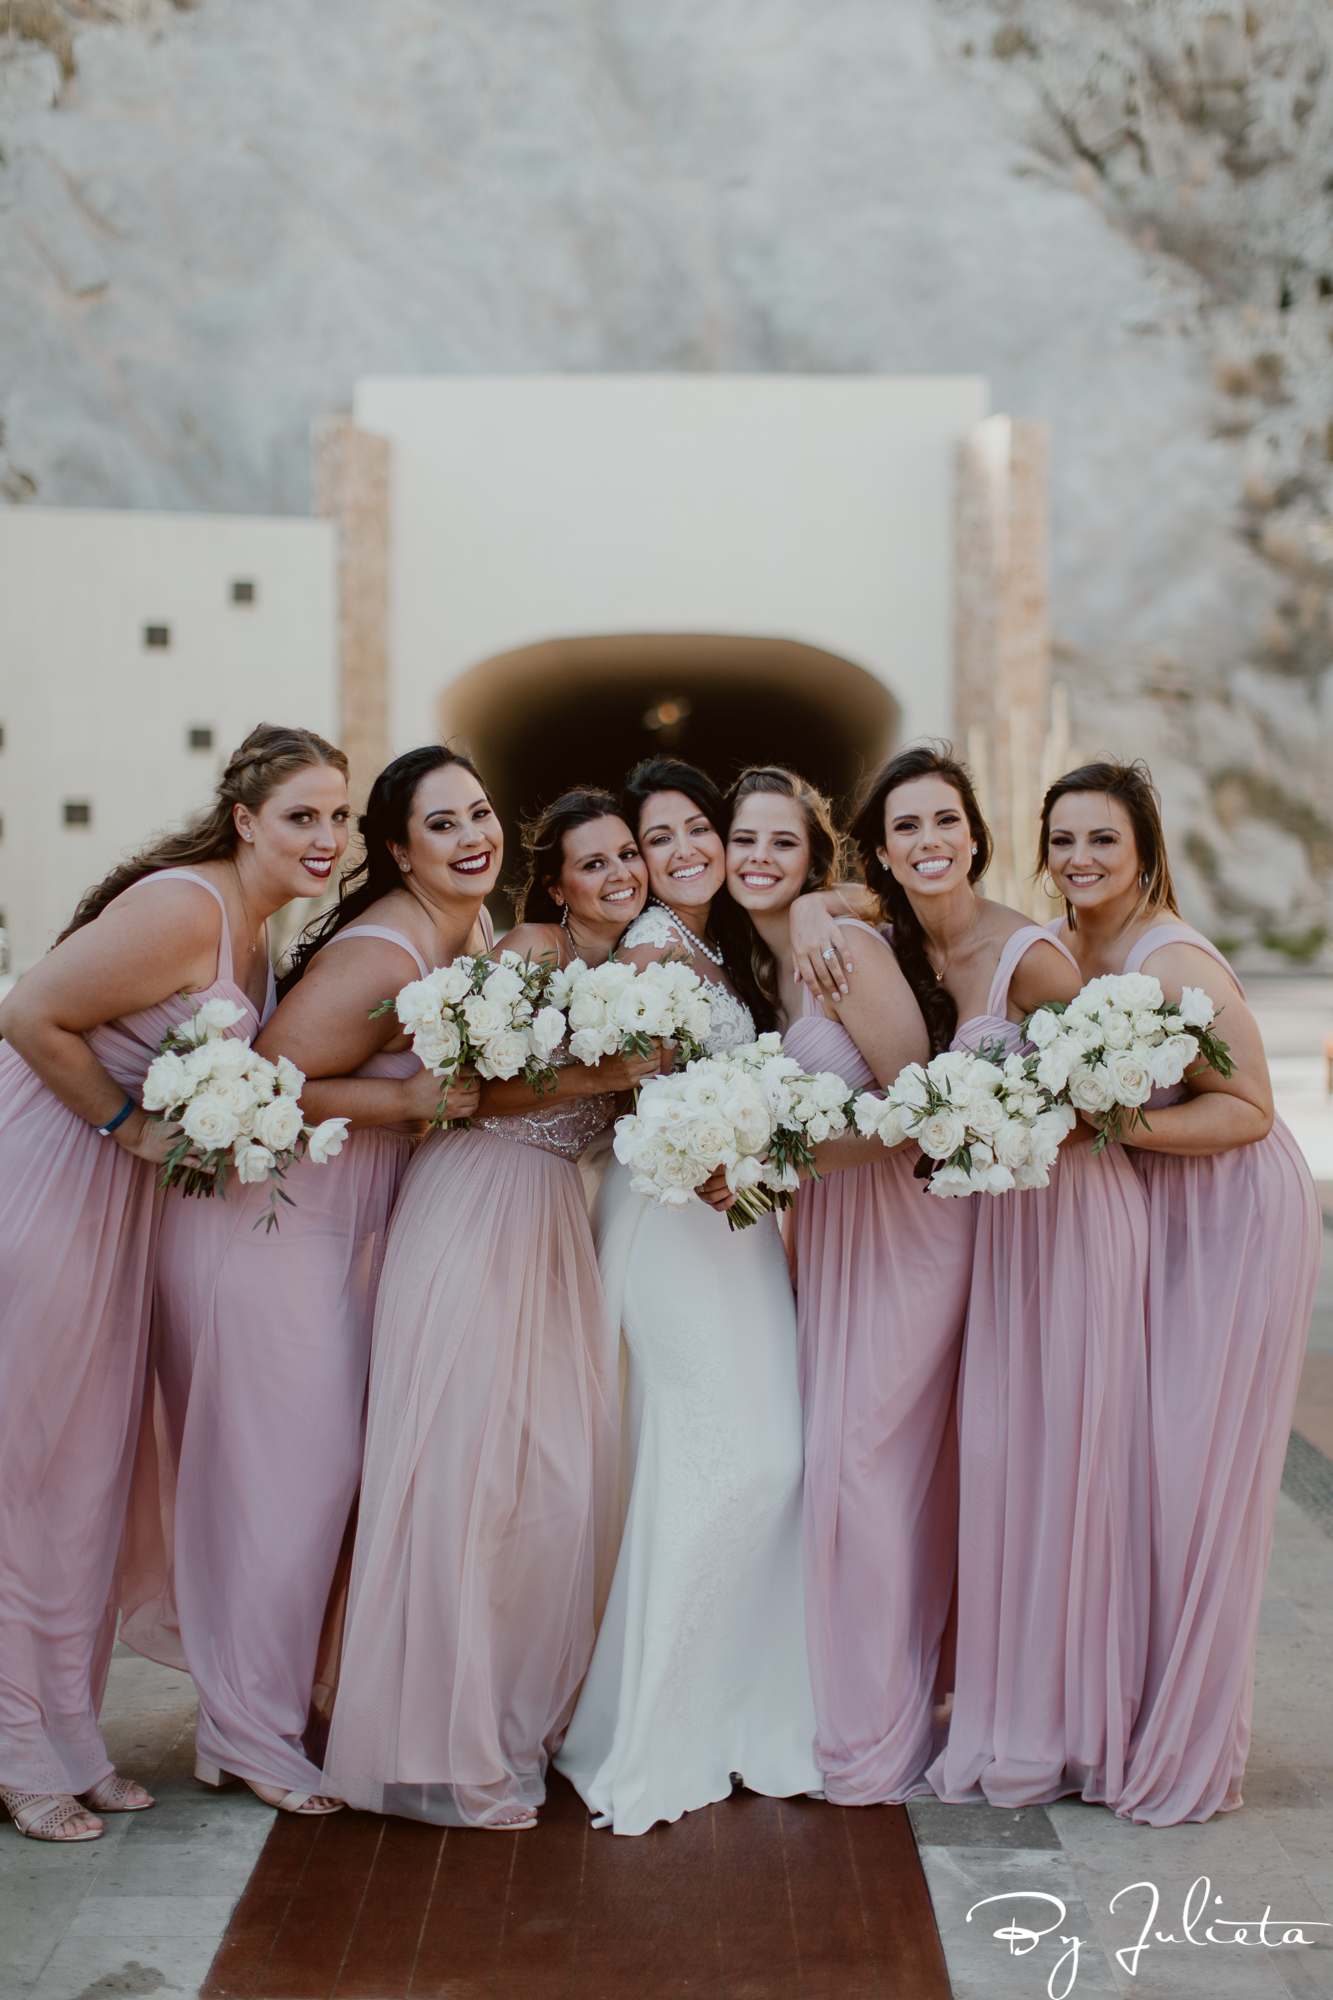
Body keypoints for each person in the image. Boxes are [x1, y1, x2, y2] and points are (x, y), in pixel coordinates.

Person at [119, 746, 485, 1814]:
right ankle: (251, 1731)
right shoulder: (381, 956)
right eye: (443, 822)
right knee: (294, 1483)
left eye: (480, 813)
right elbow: (273, 1074)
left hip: (331, 1242)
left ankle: (263, 1710)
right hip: (264, 1240)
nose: (471, 835)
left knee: (295, 1485)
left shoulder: (462, 934)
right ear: (400, 848)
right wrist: (411, 1103)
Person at [0, 723, 347, 1843]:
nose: (327, 837)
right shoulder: (186, 906)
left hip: (119, 1210)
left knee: (91, 1469)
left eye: (339, 817)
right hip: (49, 1183)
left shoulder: (258, 936)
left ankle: (68, 1729)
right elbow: (27, 1012)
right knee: (26, 1465)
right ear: (244, 819)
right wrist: (126, 1122)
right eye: (303, 814)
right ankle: (14, 1742)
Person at [324, 786, 660, 1830]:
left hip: (559, 1223)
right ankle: (430, 1734)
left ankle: (514, 1703)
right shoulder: (529, 948)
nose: (616, 875)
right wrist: (608, 1068)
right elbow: (472, 1086)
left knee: (547, 1473)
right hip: (476, 1203)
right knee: (461, 1466)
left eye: (626, 857)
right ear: (555, 883)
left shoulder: (644, 973)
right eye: (591, 863)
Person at [841, 747, 1150, 1815]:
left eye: (947, 822)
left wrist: (1008, 1127)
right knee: (997, 1468)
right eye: (907, 827)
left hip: (1062, 1222)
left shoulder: (1031, 956)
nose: (930, 842)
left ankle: (1062, 1725)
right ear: (880, 851)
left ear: (974, 833)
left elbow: (1111, 1098)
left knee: (1059, 1465)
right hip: (980, 1241)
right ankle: (985, 1698)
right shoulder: (891, 948)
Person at [557, 756, 850, 1835]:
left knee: (761, 1456)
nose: (679, 851)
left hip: (738, 1226)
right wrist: (710, 1137)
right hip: (671, 1223)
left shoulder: (726, 947)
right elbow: (638, 1089)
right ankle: (660, 1727)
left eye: (694, 830)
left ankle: (745, 1710)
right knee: (722, 1458)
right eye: (652, 838)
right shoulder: (649, 950)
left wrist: (817, 893)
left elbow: (852, 892)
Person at [1039, 759, 1321, 1824]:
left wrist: (1104, 1125)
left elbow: (1247, 1105)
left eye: (1101, 840)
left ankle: (1191, 1742)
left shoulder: (1173, 955)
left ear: (1144, 849)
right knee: (1145, 1466)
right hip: (1161, 1206)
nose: (1078, 859)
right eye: (1062, 839)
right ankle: (1132, 1711)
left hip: (1233, 1211)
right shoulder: (1070, 944)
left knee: (1194, 1471)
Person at [724, 765, 976, 1802]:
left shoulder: (842, 949)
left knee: (862, 1462)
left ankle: (879, 1732)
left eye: (784, 844)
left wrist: (771, 1158)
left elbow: (916, 1109)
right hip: (831, 1232)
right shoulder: (773, 959)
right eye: (744, 839)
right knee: (845, 1465)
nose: (758, 860)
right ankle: (849, 1698)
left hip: (905, 1228)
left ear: (814, 859)